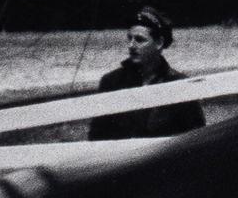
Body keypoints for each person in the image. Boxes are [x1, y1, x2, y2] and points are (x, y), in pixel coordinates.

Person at [87, 7, 207, 140]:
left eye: (139, 40)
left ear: (159, 43)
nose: (131, 45)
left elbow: (196, 139)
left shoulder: (180, 85)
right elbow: (96, 137)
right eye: (129, 38)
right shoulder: (111, 82)